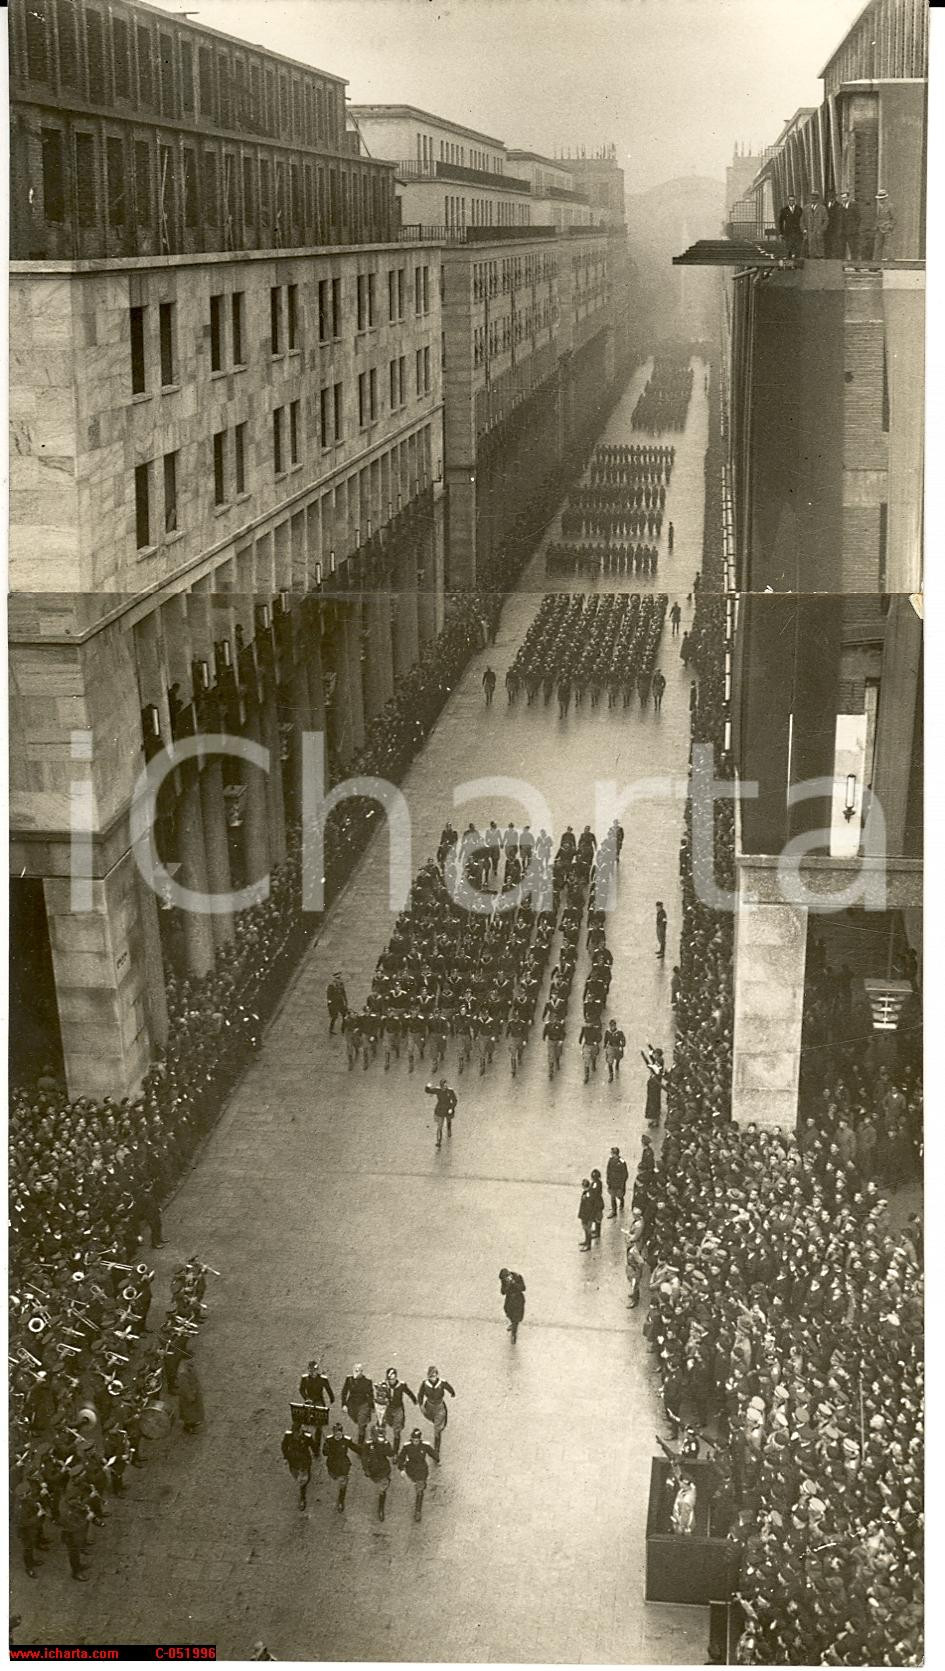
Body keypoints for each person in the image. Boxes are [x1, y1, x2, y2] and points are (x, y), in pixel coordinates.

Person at [397, 1428, 437, 1521]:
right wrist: (401, 1468)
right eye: (414, 1440)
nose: (416, 1442)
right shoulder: (407, 1446)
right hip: (411, 1470)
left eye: (417, 1440)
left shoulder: (424, 1445)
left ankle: (418, 1511)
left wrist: (437, 1458)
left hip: (421, 1470)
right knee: (413, 1489)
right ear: (411, 1439)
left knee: (419, 1491)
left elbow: (432, 1453)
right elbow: (401, 1457)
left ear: (420, 1439)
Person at [417, 1366, 456, 1461]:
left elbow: (449, 1388)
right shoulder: (425, 1384)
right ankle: (437, 1424)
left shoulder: (442, 1383)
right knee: (433, 1419)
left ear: (437, 1375)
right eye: (430, 1376)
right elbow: (420, 1394)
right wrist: (421, 1405)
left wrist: (452, 1393)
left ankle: (436, 1448)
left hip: (439, 1406)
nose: (433, 1378)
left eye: (434, 1376)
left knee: (437, 1429)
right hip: (429, 1406)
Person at [298, 1359, 334, 1458]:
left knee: (319, 1427)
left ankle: (317, 1449)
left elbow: (328, 1389)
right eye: (310, 1370)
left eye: (314, 1370)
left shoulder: (323, 1379)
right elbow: (301, 1390)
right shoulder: (305, 1379)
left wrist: (332, 1398)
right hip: (309, 1402)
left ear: (317, 1370)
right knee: (306, 1425)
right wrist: (306, 1398)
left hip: (319, 1403)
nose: (312, 1372)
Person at [281, 1410, 316, 1509]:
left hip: (304, 1462)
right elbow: (284, 1446)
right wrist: (285, 1457)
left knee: (303, 1481)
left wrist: (316, 1452)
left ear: (301, 1430)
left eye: (299, 1431)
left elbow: (313, 1447)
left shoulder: (306, 1437)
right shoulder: (288, 1436)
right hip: (293, 1461)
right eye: (296, 1432)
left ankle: (302, 1498)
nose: (297, 1434)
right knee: (296, 1476)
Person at [359, 1423, 394, 1521]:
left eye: (377, 1435)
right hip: (373, 1469)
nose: (375, 1437)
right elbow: (364, 1457)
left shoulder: (384, 1443)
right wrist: (365, 1469)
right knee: (380, 1486)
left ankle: (381, 1509)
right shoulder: (368, 1444)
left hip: (383, 1469)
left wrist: (385, 1444)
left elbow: (390, 1454)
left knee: (382, 1489)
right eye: (374, 1435)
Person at [380, 1367, 417, 1456]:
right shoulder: (383, 1385)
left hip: (398, 1409)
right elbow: (379, 1396)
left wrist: (414, 1400)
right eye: (390, 1379)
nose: (392, 1381)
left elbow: (408, 1392)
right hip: (388, 1409)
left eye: (393, 1379)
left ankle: (395, 1452)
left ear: (396, 1377)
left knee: (397, 1430)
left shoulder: (401, 1385)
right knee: (388, 1423)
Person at [324, 1422, 357, 1513]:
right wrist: (326, 1448)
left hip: (343, 1465)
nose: (338, 1435)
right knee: (334, 1477)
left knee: (343, 1484)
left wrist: (364, 1452)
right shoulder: (328, 1440)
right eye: (336, 1433)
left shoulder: (346, 1440)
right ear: (333, 1433)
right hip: (332, 1464)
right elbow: (324, 1453)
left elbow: (355, 1448)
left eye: (339, 1433)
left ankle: (341, 1501)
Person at [341, 1363, 376, 1444]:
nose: (357, 1372)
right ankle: (363, 1425)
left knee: (361, 1424)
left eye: (359, 1371)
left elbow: (370, 1395)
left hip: (363, 1404)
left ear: (362, 1371)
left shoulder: (367, 1381)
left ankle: (360, 1443)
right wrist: (344, 1404)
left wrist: (372, 1407)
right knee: (356, 1420)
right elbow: (344, 1392)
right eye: (355, 1370)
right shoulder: (349, 1379)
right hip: (352, 1405)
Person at [176, 1350, 205, 1433]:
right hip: (189, 1395)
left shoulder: (189, 1367)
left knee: (192, 1410)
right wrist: (190, 1396)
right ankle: (189, 1426)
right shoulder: (183, 1372)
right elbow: (184, 1387)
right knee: (189, 1412)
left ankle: (192, 1423)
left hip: (193, 1391)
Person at [425, 1078, 457, 1148]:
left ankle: (449, 1129)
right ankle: (438, 1141)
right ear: (441, 1086)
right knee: (440, 1126)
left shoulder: (450, 1091)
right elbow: (428, 1091)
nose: (445, 1087)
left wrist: (452, 1108)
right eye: (444, 1086)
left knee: (448, 1120)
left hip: (448, 1109)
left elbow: (454, 1100)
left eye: (446, 1085)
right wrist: (427, 1086)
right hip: (440, 1110)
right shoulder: (438, 1090)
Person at [499, 1268, 526, 1342]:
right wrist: (507, 1285)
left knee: (516, 1317)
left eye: (506, 1278)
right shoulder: (504, 1280)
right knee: (507, 1311)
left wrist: (513, 1283)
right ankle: (512, 1324)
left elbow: (523, 1288)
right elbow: (502, 1292)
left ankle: (514, 1334)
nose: (505, 1279)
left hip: (518, 1299)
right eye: (504, 1279)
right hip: (509, 1299)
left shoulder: (517, 1277)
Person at [641, 1045, 665, 1127]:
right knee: (654, 1101)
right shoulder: (659, 1061)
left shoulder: (657, 1066)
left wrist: (644, 1057)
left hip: (654, 1084)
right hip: (654, 1084)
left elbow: (649, 1065)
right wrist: (650, 1047)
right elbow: (652, 1058)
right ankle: (654, 1118)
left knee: (653, 1102)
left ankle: (655, 1119)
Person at [872, 189, 895, 262]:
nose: (881, 200)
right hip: (878, 229)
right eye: (879, 199)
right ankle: (876, 263)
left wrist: (890, 226)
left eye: (882, 199)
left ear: (886, 198)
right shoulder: (876, 207)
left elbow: (894, 218)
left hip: (887, 229)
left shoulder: (890, 206)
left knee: (888, 246)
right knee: (877, 246)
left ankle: (890, 262)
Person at [802, 192, 828, 258]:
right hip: (809, 233)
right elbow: (802, 220)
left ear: (818, 199)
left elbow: (826, 220)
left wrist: (821, 229)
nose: (813, 200)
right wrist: (804, 229)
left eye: (815, 198)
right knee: (810, 251)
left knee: (819, 251)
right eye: (812, 198)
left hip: (818, 233)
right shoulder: (806, 208)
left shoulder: (822, 208)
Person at [606, 1146, 629, 1217]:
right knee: (612, 1196)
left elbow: (625, 1173)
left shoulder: (622, 1161)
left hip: (619, 1183)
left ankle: (622, 1201)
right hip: (612, 1183)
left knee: (619, 1195)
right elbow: (608, 1170)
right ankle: (614, 1211)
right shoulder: (610, 1160)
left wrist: (622, 1183)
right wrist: (608, 1179)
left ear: (615, 1153)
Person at [778, 194, 803, 258]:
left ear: (795, 201)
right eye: (790, 200)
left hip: (797, 232)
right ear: (788, 201)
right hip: (788, 232)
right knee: (789, 248)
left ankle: (797, 264)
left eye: (793, 200)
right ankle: (789, 264)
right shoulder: (784, 210)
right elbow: (780, 222)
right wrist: (781, 233)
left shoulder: (799, 209)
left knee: (797, 248)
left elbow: (803, 220)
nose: (791, 201)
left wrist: (803, 230)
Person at [840, 190, 861, 260]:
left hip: (852, 231)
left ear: (848, 197)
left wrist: (854, 228)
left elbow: (858, 218)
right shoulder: (840, 206)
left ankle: (855, 265)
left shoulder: (854, 205)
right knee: (842, 249)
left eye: (845, 197)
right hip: (843, 231)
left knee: (853, 248)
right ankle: (842, 266)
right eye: (842, 198)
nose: (843, 199)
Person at [578, 1178, 596, 1251]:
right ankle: (586, 1241)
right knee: (585, 1229)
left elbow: (589, 1208)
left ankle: (588, 1245)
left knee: (588, 1229)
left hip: (588, 1216)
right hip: (584, 1215)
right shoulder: (586, 1192)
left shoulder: (589, 1194)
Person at [589, 1169, 605, 1240]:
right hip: (595, 1203)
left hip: (597, 1204)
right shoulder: (595, 1183)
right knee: (595, 1218)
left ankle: (597, 1233)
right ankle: (596, 1230)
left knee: (598, 1218)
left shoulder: (597, 1184)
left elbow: (595, 1193)